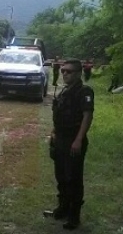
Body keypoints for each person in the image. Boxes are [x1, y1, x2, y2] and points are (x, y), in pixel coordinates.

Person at [44, 59, 94, 230]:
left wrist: (79, 139)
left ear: (79, 73)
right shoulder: (64, 91)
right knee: (61, 175)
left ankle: (74, 216)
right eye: (63, 71)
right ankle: (63, 208)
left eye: (69, 71)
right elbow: (59, 115)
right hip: (60, 138)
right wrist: (53, 132)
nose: (65, 74)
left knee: (73, 177)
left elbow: (87, 116)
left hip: (74, 139)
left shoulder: (84, 91)